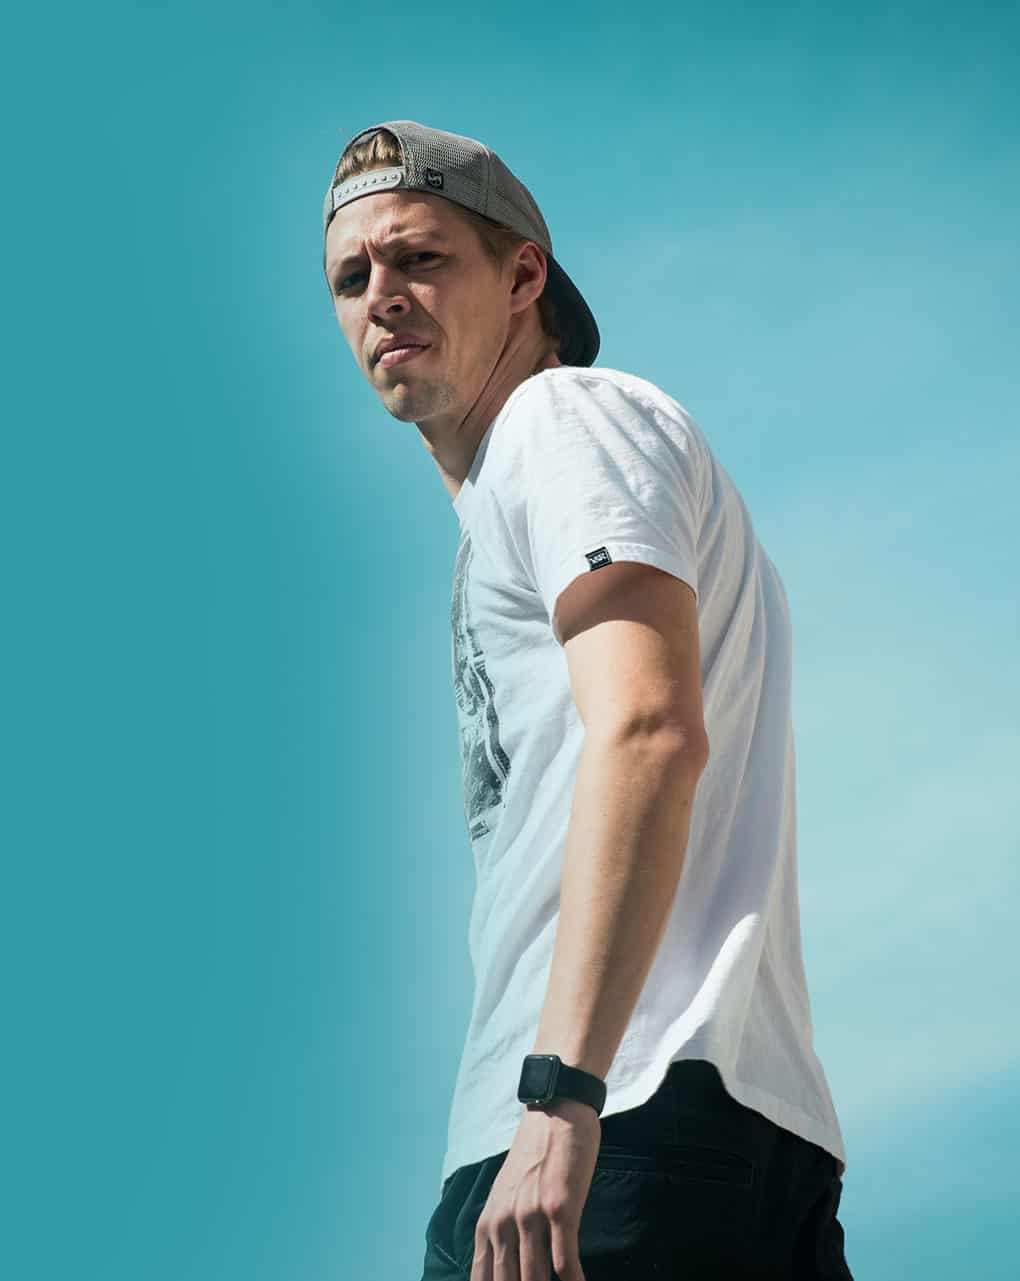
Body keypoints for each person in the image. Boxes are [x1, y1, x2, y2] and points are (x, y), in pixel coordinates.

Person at [321, 119, 855, 1281]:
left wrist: (560, 1096)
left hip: (605, 1123)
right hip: (698, 1131)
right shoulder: (528, 488)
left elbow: (649, 729)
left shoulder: (561, 423)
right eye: (352, 279)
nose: (382, 296)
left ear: (524, 276)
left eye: (420, 258)